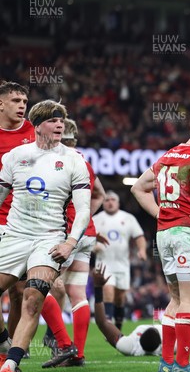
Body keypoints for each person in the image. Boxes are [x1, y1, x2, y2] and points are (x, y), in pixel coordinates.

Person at [0, 100, 91, 372]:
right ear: (38, 125)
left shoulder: (75, 160)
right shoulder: (15, 156)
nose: (60, 124)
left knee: (33, 298)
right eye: (53, 120)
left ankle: (11, 364)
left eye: (62, 120)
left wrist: (70, 243)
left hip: (49, 240)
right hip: (14, 235)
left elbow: (84, 210)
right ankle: (5, 342)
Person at [131, 120, 190, 372]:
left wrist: (161, 214)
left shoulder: (167, 156)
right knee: (189, 299)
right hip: (188, 234)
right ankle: (183, 364)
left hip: (165, 234)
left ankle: (166, 363)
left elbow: (138, 188)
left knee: (175, 299)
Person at [39, 118, 107, 368]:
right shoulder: (83, 160)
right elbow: (100, 193)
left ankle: (64, 344)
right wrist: (86, 214)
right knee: (78, 294)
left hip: (66, 234)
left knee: (36, 285)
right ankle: (77, 354)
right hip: (86, 233)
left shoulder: (52, 159)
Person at [92, 264, 190, 357]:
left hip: (163, 332)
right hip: (171, 333)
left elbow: (102, 322)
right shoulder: (169, 346)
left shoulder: (129, 346)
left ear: (139, 339)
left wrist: (98, 288)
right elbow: (189, 343)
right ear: (161, 343)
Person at [0, 81, 33, 364]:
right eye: (15, 100)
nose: (22, 105)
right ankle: (2, 343)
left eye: (24, 100)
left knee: (19, 291)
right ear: (1, 104)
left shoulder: (34, 134)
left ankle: (8, 357)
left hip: (21, 223)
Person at [93, 190, 147, 330]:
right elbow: (86, 237)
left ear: (118, 202)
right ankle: (109, 325)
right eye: (107, 200)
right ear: (103, 203)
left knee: (120, 297)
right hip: (104, 262)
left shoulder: (128, 218)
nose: (110, 202)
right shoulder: (96, 219)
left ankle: (118, 325)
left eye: (112, 200)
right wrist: (93, 247)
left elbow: (139, 236)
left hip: (122, 263)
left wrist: (142, 250)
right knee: (108, 290)